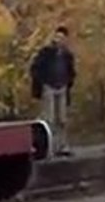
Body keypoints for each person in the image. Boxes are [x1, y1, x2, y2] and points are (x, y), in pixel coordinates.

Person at [29, 26, 76, 157]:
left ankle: (62, 146)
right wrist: (42, 82)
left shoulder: (67, 55)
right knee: (49, 118)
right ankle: (49, 148)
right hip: (49, 86)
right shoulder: (46, 52)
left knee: (62, 119)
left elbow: (71, 71)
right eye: (57, 37)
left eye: (62, 38)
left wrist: (68, 82)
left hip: (62, 87)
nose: (59, 40)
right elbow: (35, 67)